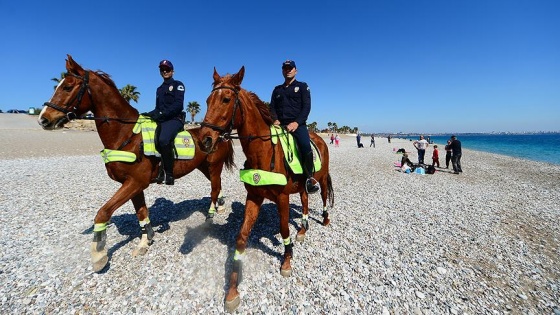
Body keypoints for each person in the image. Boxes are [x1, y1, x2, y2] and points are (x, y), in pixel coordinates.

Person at [269, 60, 319, 194]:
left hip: (298, 125)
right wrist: (275, 119)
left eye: (290, 68)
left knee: (305, 145)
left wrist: (296, 123)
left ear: (295, 70)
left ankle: (309, 178)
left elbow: (306, 107)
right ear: (282, 71)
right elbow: (272, 107)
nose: (288, 70)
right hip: (279, 125)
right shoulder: (277, 90)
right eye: (285, 68)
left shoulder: (303, 87)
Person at [142, 59, 185, 185]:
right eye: (162, 70)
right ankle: (157, 170)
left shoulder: (178, 85)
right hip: (162, 119)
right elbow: (158, 108)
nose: (165, 71)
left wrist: (162, 114)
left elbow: (178, 105)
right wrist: (148, 114)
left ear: (172, 71)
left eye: (167, 69)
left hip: (175, 119)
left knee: (163, 139)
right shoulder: (159, 89)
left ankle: (169, 173)